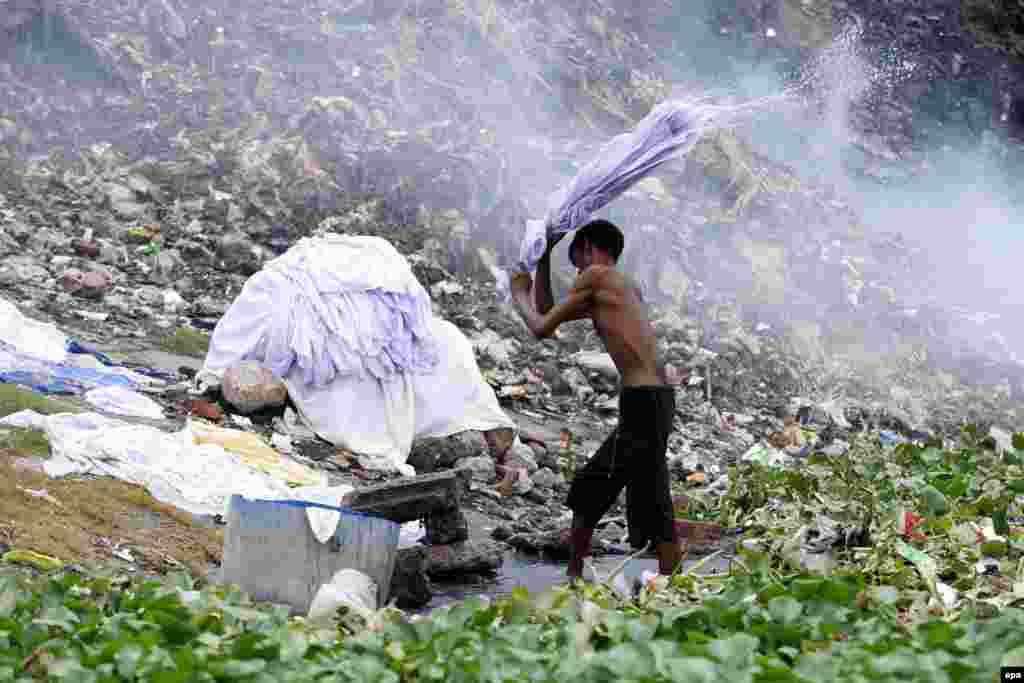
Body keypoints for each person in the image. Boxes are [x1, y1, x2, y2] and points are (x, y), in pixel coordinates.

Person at [509, 219, 682, 579]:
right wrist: (545, 259)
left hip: (643, 401)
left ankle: (576, 575)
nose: (576, 271)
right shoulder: (622, 284)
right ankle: (670, 583)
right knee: (651, 492)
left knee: (593, 486)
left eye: (575, 261)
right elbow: (552, 311)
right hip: (658, 400)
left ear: (588, 247)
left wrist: (517, 293)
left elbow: (540, 326)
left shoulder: (597, 276)